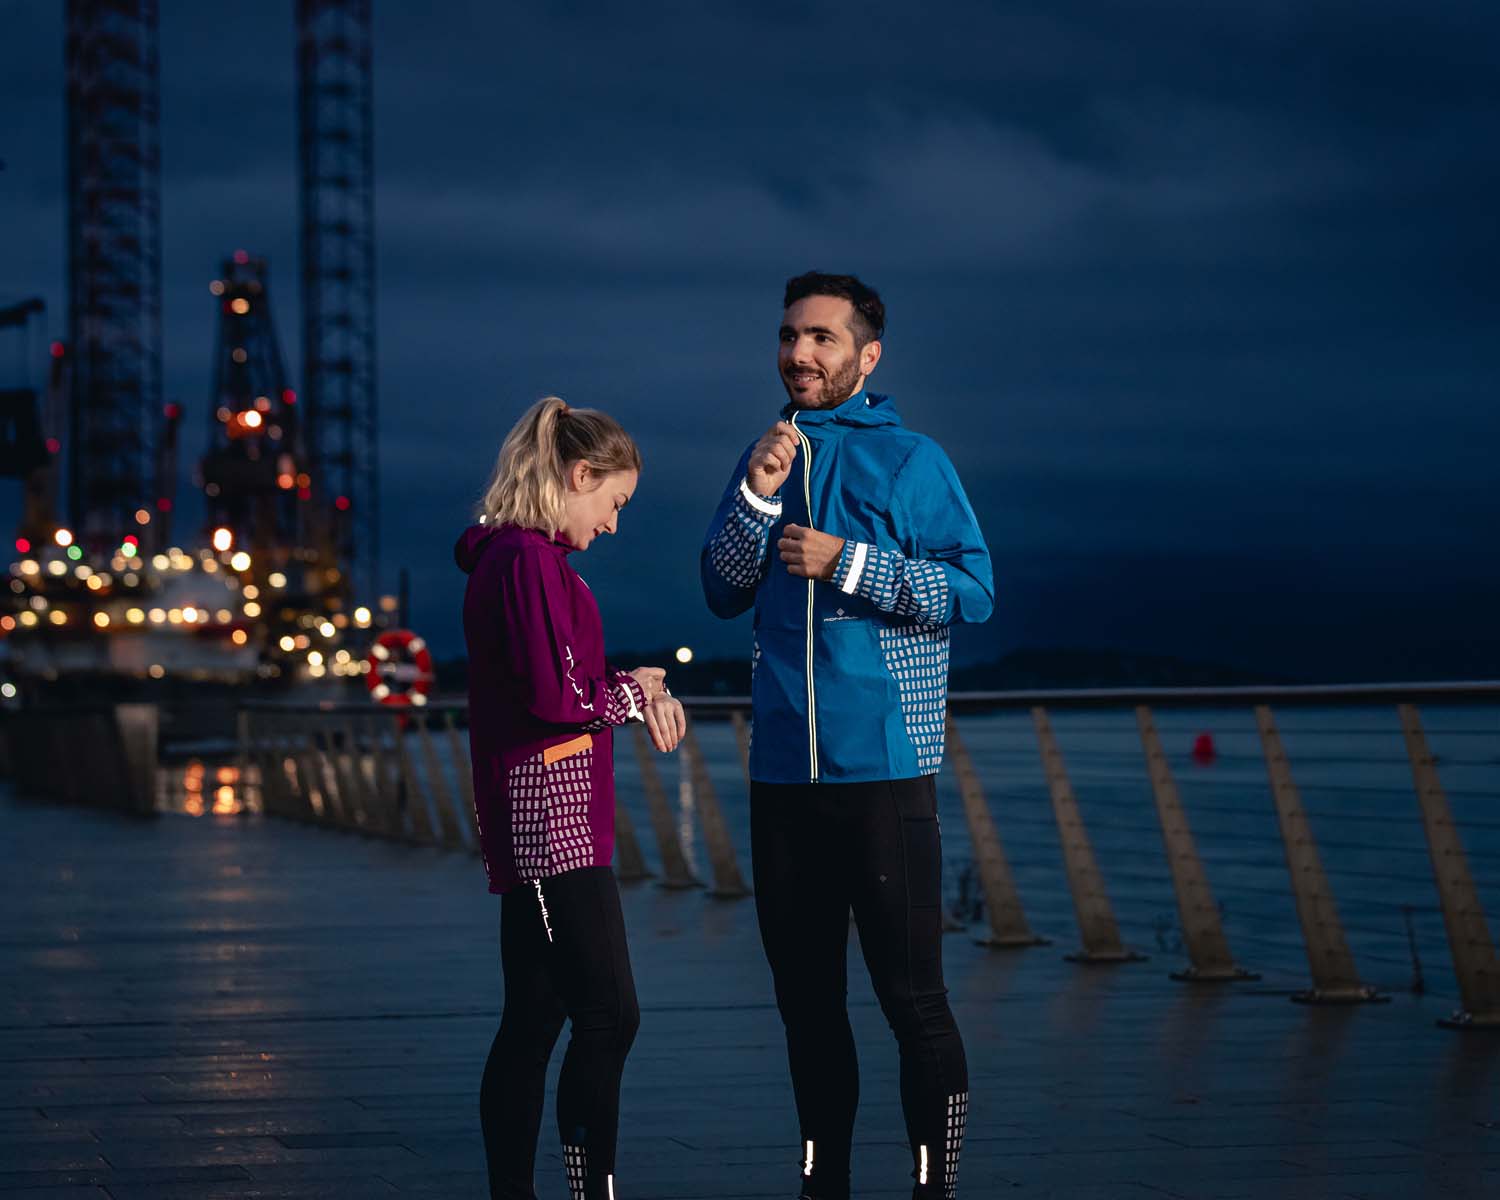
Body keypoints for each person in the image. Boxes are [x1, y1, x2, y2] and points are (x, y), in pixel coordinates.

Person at [700, 273, 994, 1200]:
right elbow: (720, 588)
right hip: (783, 779)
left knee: (913, 1003)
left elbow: (974, 594)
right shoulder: (768, 454)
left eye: (823, 339)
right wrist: (755, 492)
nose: (800, 355)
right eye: (790, 336)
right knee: (807, 1007)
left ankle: (931, 1187)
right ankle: (821, 1184)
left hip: (886, 774)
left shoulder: (912, 461)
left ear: (868, 355)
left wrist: (852, 563)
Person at [458, 396, 686, 1200]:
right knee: (608, 1016)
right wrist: (627, 694)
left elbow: (552, 683)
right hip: (549, 822)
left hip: (542, 813)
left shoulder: (526, 561)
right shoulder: (525, 561)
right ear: (578, 475)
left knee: (535, 1020)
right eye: (614, 501)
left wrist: (624, 682)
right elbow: (557, 698)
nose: (615, 523)